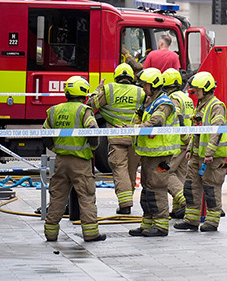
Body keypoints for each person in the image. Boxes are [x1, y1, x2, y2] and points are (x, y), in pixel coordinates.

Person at [42, 76, 106, 242]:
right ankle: (91, 233)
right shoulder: (84, 111)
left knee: (57, 197)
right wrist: (92, 148)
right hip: (80, 162)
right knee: (86, 197)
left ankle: (50, 233)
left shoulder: (54, 110)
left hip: (61, 161)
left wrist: (55, 149)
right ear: (83, 92)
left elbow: (45, 134)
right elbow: (93, 131)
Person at [174, 71, 227, 232]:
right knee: (191, 186)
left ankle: (212, 222)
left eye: (197, 89)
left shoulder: (216, 106)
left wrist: (210, 152)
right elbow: (197, 130)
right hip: (198, 156)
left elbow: (217, 130)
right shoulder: (201, 105)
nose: (195, 92)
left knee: (211, 188)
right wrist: (191, 149)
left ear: (205, 89)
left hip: (212, 158)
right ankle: (191, 219)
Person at [87, 63, 144, 215]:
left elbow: (90, 105)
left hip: (116, 138)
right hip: (135, 138)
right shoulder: (141, 92)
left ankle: (125, 204)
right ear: (131, 77)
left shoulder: (109, 89)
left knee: (120, 170)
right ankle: (127, 200)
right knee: (131, 171)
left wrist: (98, 89)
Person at [130, 68, 181, 237]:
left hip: (160, 154)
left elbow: (155, 122)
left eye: (146, 85)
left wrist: (134, 128)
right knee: (147, 189)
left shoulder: (164, 104)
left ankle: (161, 226)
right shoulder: (150, 101)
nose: (143, 88)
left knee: (157, 188)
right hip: (148, 154)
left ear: (154, 85)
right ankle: (147, 224)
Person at [163, 68, 195, 219]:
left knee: (166, 173)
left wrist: (182, 136)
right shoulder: (186, 97)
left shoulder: (173, 98)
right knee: (180, 174)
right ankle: (178, 210)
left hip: (176, 141)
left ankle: (185, 202)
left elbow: (178, 117)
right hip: (186, 141)